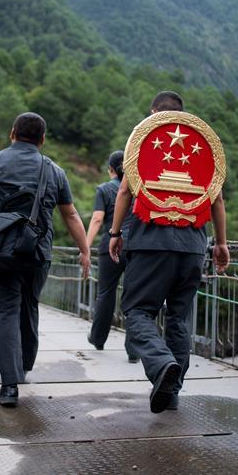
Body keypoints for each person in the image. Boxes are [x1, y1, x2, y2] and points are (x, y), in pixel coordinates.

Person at [0, 112, 91, 407]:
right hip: (37, 253)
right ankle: (24, 366)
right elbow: (71, 214)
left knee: (5, 311)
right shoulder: (54, 171)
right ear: (42, 140)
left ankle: (9, 386)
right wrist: (84, 251)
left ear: (12, 133)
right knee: (29, 305)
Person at [108, 91, 230, 413]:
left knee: (137, 311)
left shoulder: (144, 136)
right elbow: (216, 200)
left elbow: (124, 190)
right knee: (179, 318)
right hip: (192, 246)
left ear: (153, 112)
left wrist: (115, 232)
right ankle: (172, 390)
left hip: (150, 242)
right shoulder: (201, 142)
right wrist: (220, 243)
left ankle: (162, 365)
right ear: (182, 113)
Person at [85, 150, 138, 363]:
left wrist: (85, 247)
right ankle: (134, 350)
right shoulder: (137, 188)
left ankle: (98, 338)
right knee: (135, 295)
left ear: (111, 170)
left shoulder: (105, 189)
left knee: (106, 292)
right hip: (136, 246)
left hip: (110, 246)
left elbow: (97, 219)